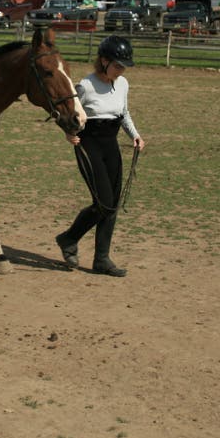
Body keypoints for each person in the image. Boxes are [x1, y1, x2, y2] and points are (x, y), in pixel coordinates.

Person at [56, 35, 145, 277]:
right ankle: (68, 238)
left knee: (112, 205)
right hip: (89, 145)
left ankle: (101, 259)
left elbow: (123, 113)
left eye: (124, 66)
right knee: (104, 202)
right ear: (103, 61)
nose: (122, 70)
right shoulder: (85, 85)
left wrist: (134, 135)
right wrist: (68, 134)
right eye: (118, 65)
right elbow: (65, 112)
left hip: (111, 146)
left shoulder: (123, 84)